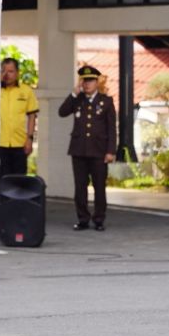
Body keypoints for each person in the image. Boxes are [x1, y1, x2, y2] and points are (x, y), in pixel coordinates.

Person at [58, 65, 116, 231]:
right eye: (84, 80)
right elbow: (62, 112)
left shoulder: (106, 101)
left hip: (99, 151)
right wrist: (73, 94)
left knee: (99, 187)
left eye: (90, 80)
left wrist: (110, 151)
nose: (87, 84)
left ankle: (99, 219)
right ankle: (83, 219)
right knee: (80, 188)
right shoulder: (77, 99)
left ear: (97, 82)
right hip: (79, 150)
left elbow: (111, 129)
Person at [0, 57, 39, 176]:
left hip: (20, 143)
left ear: (17, 73)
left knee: (19, 179)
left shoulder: (26, 91)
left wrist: (30, 139)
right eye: (3, 71)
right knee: (0, 179)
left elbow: (32, 117)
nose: (7, 75)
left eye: (10, 71)